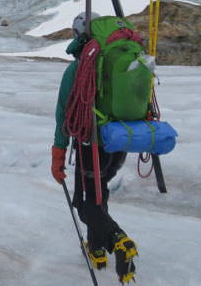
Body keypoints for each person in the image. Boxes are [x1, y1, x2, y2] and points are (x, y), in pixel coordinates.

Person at [51, 14, 137, 284]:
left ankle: (117, 240)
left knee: (85, 204)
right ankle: (96, 247)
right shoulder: (118, 61)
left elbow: (64, 114)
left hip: (92, 144)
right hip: (120, 141)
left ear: (78, 35)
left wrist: (58, 154)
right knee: (98, 195)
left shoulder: (78, 68)